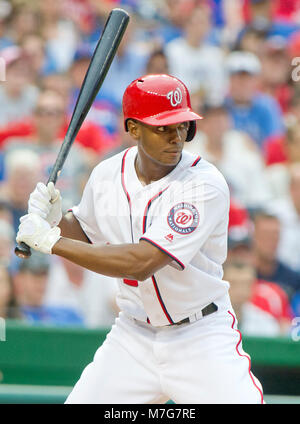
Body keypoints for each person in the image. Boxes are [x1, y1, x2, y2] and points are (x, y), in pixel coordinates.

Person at [16, 74, 264, 404]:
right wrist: (56, 221)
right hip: (133, 335)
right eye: (163, 127)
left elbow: (142, 263)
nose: (176, 137)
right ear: (133, 128)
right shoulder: (107, 173)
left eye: (182, 126)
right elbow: (88, 233)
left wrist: (51, 242)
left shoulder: (204, 184)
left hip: (199, 335)